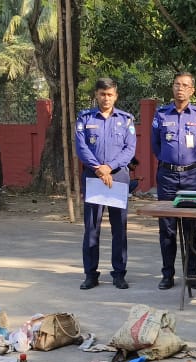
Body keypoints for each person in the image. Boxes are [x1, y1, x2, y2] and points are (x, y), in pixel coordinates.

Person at [74, 78, 137, 290]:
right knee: (92, 228)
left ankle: (119, 273)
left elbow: (130, 149)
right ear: (96, 95)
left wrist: (109, 167)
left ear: (116, 96)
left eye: (110, 94)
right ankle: (90, 274)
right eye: (102, 94)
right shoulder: (84, 118)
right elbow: (81, 147)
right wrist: (98, 168)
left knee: (119, 228)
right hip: (93, 177)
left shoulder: (126, 120)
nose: (106, 98)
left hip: (117, 177)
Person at [152, 72, 196, 290]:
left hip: (192, 176)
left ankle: (191, 274)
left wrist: (188, 164)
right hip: (167, 176)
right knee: (167, 228)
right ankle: (168, 274)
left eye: (185, 85)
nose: (180, 88)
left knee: (191, 227)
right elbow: (156, 146)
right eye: (177, 84)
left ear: (192, 90)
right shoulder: (160, 114)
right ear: (172, 88)